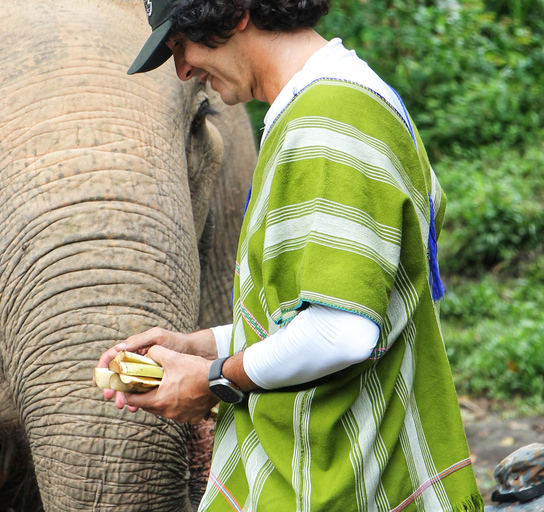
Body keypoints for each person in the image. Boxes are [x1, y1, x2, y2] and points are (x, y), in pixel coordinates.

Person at [98, 1, 484, 510]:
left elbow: (340, 332)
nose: (183, 69)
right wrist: (201, 346)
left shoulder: (329, 121)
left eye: (181, 44)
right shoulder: (327, 104)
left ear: (235, 13)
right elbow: (316, 314)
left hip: (346, 483)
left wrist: (213, 380)